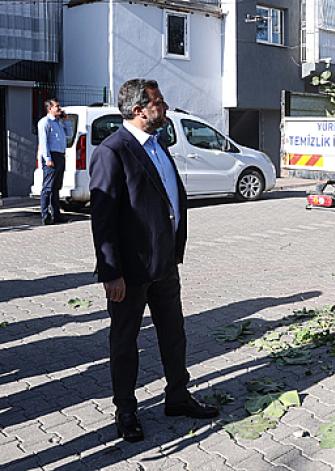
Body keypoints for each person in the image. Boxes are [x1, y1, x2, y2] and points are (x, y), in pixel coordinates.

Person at [89, 79, 218, 443]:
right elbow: (104, 219)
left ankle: (177, 396)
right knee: (126, 342)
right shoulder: (113, 151)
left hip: (164, 264)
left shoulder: (158, 144)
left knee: (174, 335)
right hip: (129, 272)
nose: (164, 106)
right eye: (158, 103)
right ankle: (126, 410)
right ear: (138, 110)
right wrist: (111, 272)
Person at [37, 98, 72, 225]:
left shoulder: (59, 122)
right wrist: (47, 158)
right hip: (51, 156)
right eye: (57, 106)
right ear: (50, 108)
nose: (59, 108)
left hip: (60, 155)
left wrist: (66, 120)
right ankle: (45, 215)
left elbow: (69, 134)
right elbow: (43, 142)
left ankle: (56, 215)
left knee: (56, 187)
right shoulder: (45, 122)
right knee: (48, 187)